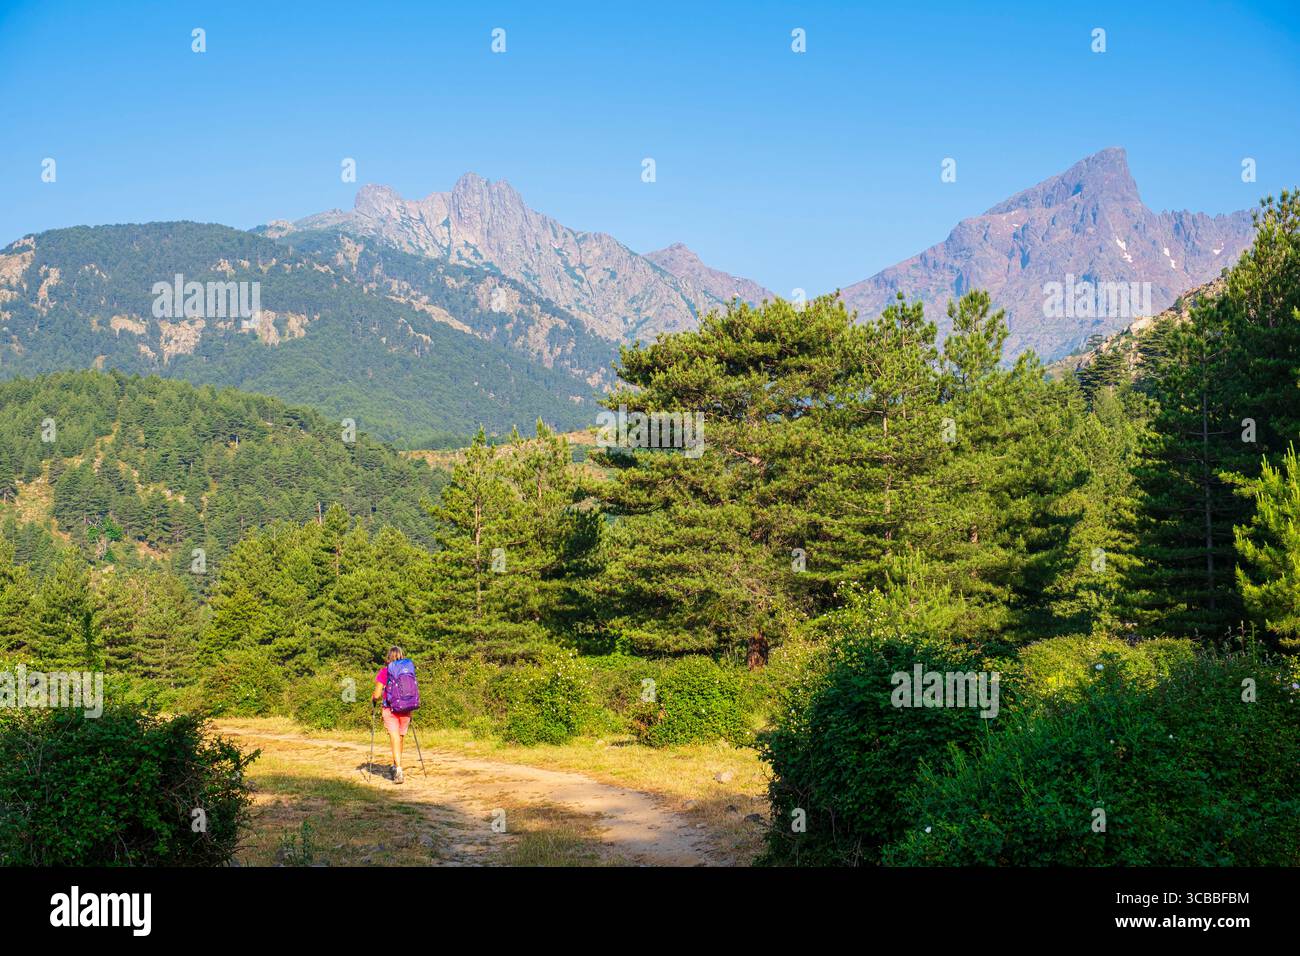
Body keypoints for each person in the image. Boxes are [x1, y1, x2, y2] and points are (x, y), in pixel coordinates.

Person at [372, 646, 413, 783]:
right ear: (402, 656)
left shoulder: (384, 671)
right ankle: (397, 766)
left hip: (390, 708)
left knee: (394, 737)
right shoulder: (408, 671)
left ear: (388, 657)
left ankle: (399, 769)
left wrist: (373, 698)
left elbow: (377, 695)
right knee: (400, 738)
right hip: (406, 708)